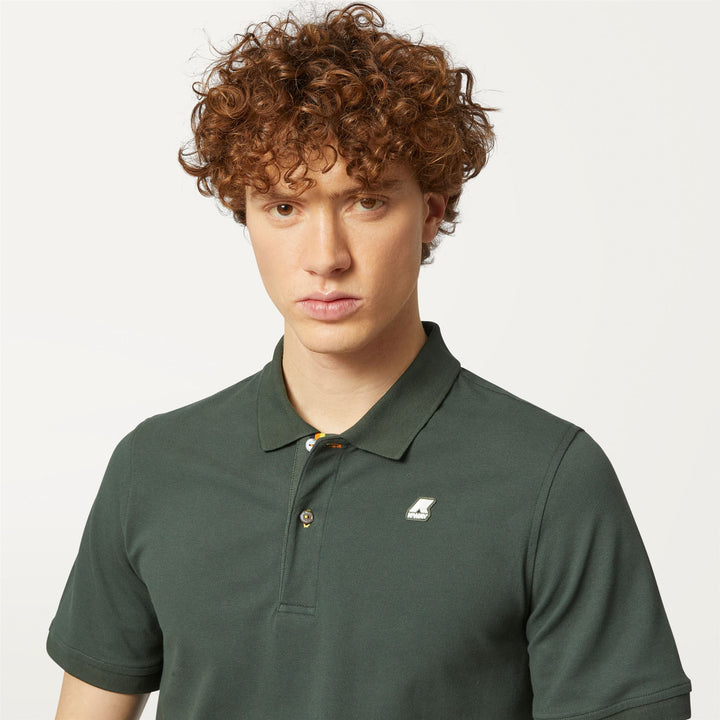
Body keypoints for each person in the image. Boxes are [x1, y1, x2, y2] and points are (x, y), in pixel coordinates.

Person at [47, 4, 691, 719]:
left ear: (431, 212)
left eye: (367, 201)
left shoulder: (548, 479)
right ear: (245, 215)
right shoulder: (154, 467)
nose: (325, 257)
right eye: (284, 207)